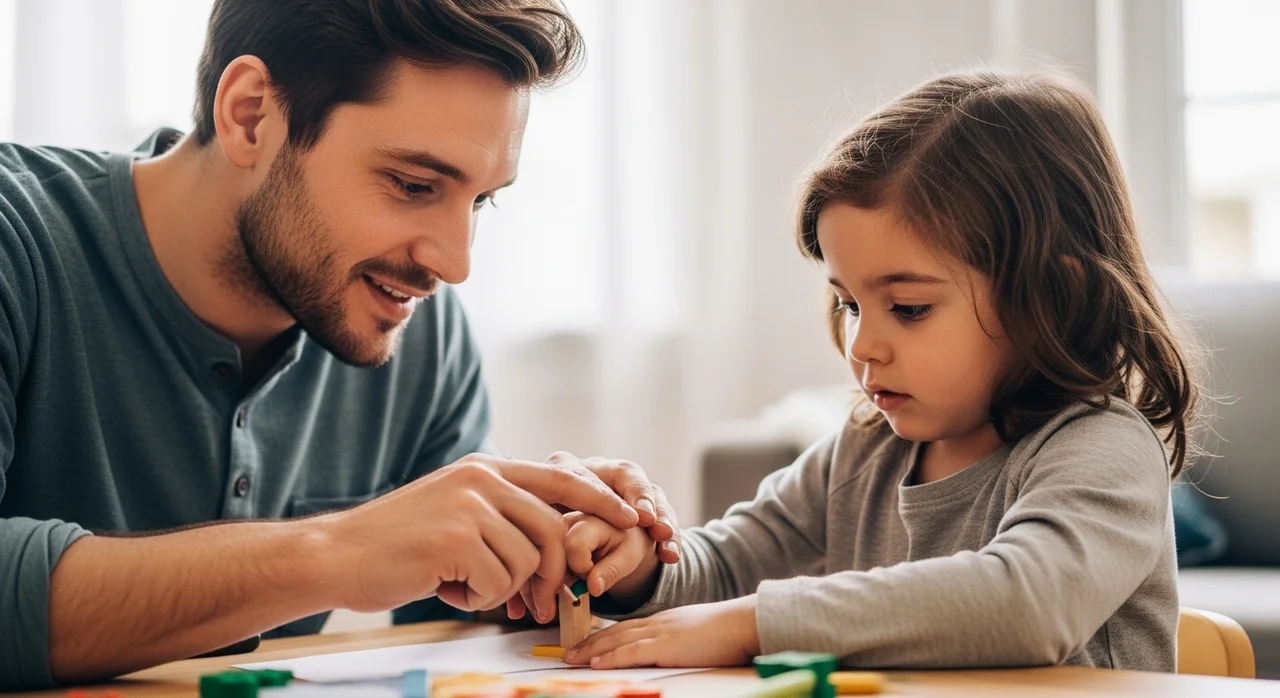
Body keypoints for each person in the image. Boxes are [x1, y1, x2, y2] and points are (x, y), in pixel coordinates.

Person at [0, 0, 680, 690]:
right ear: (251, 115)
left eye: (480, 202)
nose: (453, 263)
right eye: (414, 185)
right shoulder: (15, 241)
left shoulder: (412, 328)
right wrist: (336, 552)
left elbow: (478, 609)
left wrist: (579, 554)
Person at [553, 71, 1199, 673]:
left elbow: (1029, 602)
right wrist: (633, 565)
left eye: (910, 308)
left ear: (1049, 297)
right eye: (849, 303)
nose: (863, 344)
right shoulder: (866, 450)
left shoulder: (1103, 448)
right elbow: (723, 562)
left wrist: (756, 623)